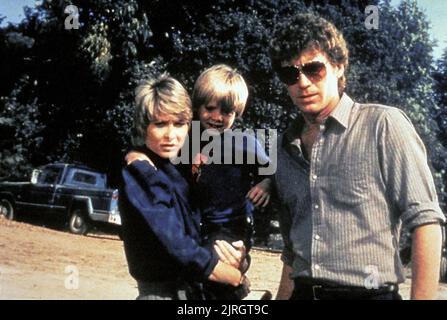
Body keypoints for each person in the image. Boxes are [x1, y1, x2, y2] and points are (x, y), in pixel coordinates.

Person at [269, 13, 445, 300]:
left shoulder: (383, 125)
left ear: (338, 67)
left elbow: (426, 223)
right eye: (290, 74)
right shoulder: (283, 148)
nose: (302, 82)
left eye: (314, 69)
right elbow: (292, 251)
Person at [119, 74, 246, 300]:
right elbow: (176, 243)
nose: (171, 135)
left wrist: (237, 253)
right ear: (144, 126)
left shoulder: (179, 166)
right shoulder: (139, 170)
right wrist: (233, 277)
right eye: (160, 124)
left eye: (179, 124)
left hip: (196, 292)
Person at [190, 64, 272, 299]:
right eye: (210, 108)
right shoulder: (188, 140)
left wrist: (265, 184)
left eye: (226, 112)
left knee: (212, 268)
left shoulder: (244, 143)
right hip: (199, 224)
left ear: (237, 113)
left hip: (231, 225)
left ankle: (239, 289)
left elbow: (272, 172)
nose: (217, 117)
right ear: (198, 105)